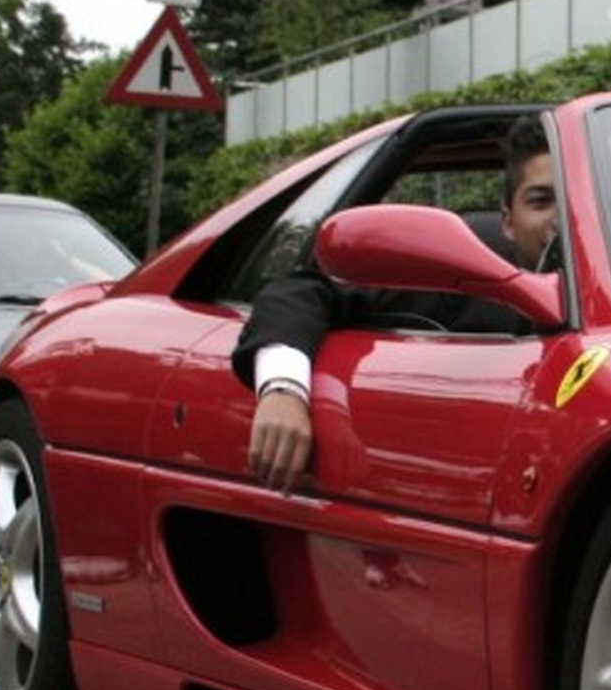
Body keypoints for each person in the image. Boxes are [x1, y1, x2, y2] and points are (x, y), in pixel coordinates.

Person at [234, 115, 559, 492]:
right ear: (507, 221)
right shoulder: (454, 281)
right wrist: (284, 390)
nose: (562, 219)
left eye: (575, 201)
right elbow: (300, 292)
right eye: (541, 201)